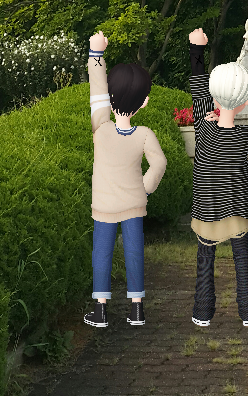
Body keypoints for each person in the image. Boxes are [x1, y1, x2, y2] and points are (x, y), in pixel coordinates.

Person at [84, 31, 167, 328]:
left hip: (104, 205)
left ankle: (101, 309)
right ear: (144, 102)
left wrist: (96, 54)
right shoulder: (144, 134)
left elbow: (96, 91)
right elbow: (159, 162)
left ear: (110, 97)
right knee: (134, 252)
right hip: (134, 203)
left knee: (102, 254)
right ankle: (136, 309)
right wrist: (143, 188)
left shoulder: (101, 128)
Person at [189, 28, 248, 329]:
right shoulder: (243, 136)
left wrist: (196, 51)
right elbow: (225, 122)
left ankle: (203, 312)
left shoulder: (203, 128)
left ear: (213, 96)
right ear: (246, 101)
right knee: (241, 259)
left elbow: (197, 90)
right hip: (236, 209)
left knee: (205, 259)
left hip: (206, 208)